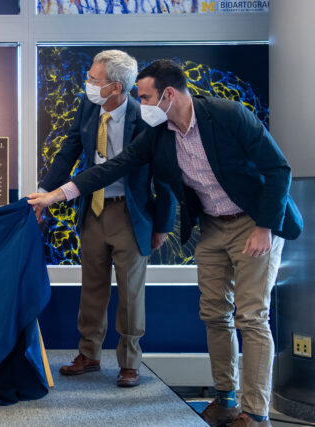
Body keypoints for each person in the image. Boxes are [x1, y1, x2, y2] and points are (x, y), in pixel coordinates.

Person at [28, 59, 302, 427]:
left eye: (145, 97)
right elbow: (113, 166)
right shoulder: (159, 134)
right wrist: (55, 195)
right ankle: (226, 398)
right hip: (212, 227)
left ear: (168, 94)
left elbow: (277, 169)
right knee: (214, 315)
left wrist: (265, 227)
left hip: (255, 222)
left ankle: (255, 413)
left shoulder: (227, 114)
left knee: (250, 316)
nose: (140, 105)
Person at [35, 50, 175, 387]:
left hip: (130, 213)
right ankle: (89, 355)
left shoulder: (146, 118)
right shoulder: (88, 106)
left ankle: (129, 362)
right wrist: (44, 191)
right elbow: (69, 150)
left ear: (115, 88)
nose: (88, 84)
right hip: (93, 210)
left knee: (130, 293)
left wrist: (162, 226)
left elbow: (166, 176)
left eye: (95, 80)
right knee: (92, 288)